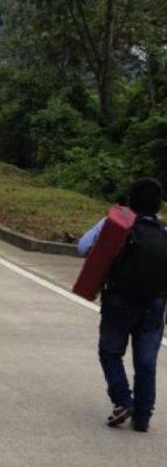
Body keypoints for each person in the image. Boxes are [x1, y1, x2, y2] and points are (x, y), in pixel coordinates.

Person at [79, 178, 167, 432]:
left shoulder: (117, 226)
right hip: (154, 305)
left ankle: (122, 400)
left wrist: (109, 219)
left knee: (110, 353)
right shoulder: (163, 233)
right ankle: (142, 418)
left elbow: (83, 247)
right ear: (159, 205)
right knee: (146, 363)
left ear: (131, 202)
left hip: (118, 302)